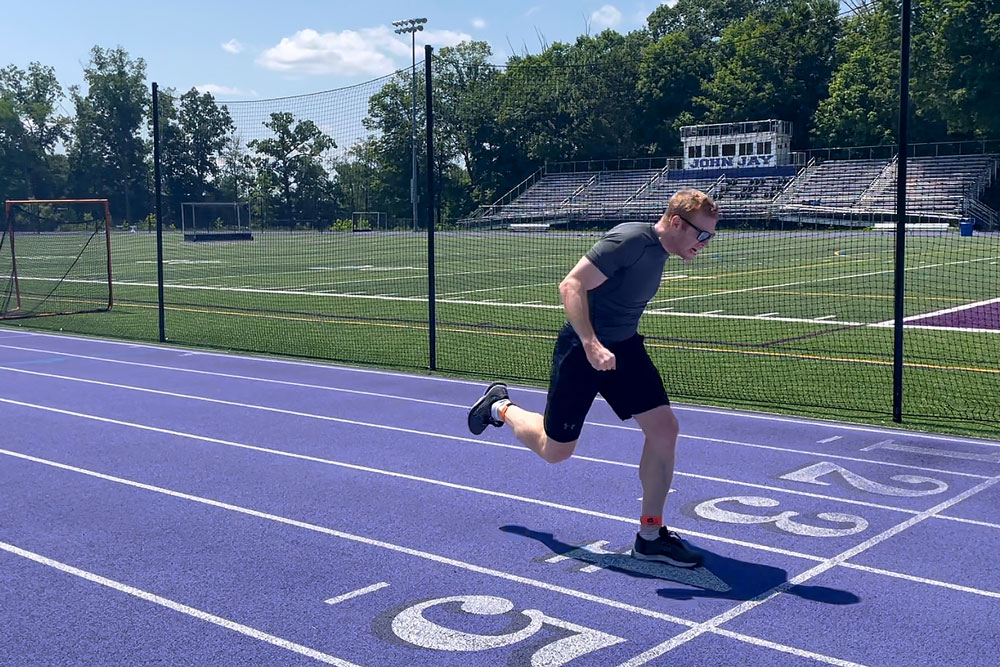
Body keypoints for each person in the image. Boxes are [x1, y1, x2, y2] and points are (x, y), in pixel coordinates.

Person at [467, 189, 719, 568]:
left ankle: (650, 536)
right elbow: (571, 285)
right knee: (556, 451)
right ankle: (501, 407)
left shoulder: (661, 251)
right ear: (677, 223)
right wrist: (590, 344)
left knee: (664, 429)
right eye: (703, 235)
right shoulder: (630, 239)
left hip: (623, 350)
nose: (705, 244)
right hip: (584, 349)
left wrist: (609, 347)